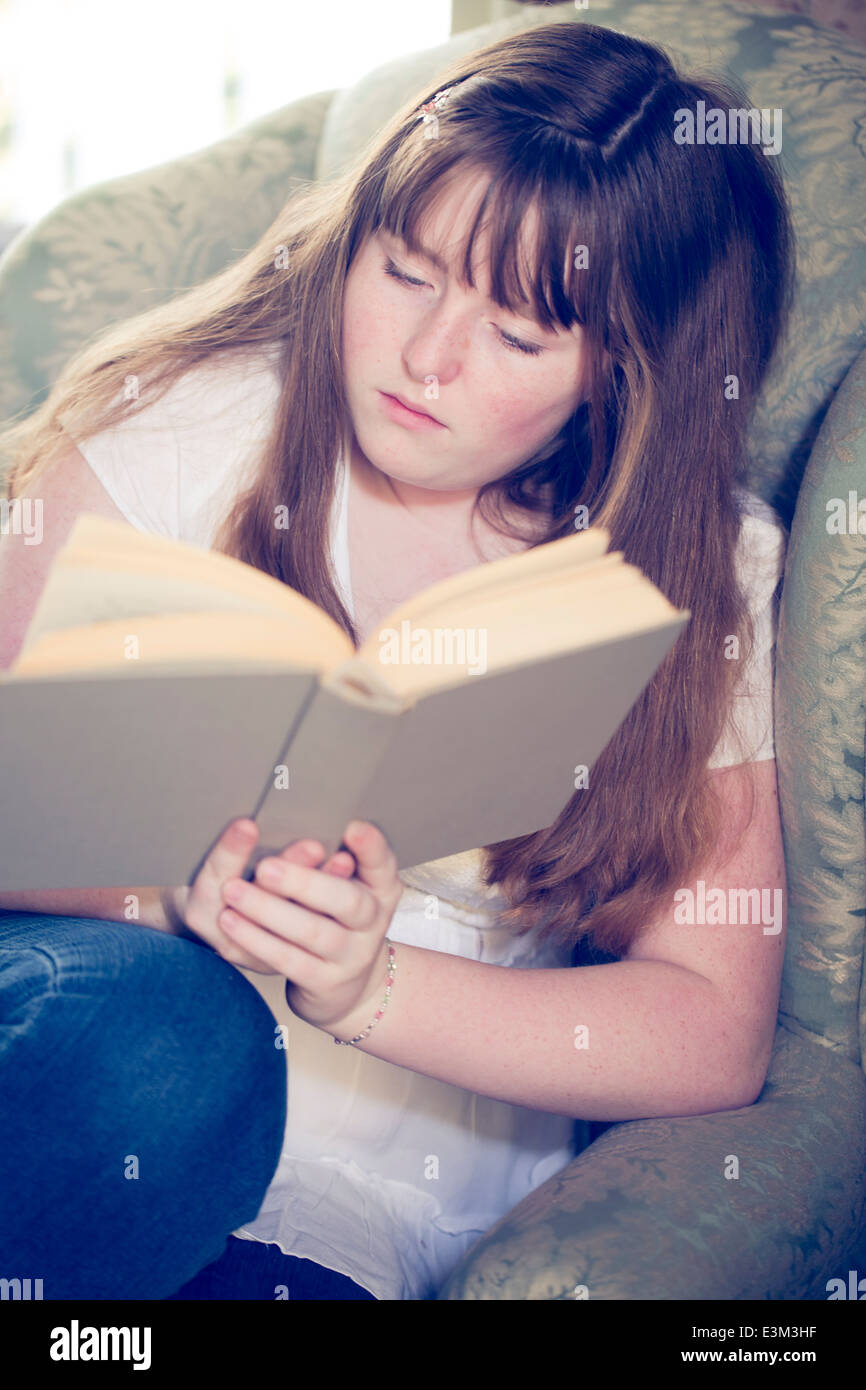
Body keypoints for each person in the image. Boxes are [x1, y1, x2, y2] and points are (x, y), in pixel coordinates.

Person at [0, 20, 794, 1300]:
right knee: (168, 1044)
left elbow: (707, 1027)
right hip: (86, 1052)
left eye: (518, 336)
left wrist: (367, 984)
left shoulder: (693, 576)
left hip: (350, 1192)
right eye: (406, 270)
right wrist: (172, 900)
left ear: (618, 371)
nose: (427, 359)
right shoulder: (188, 416)